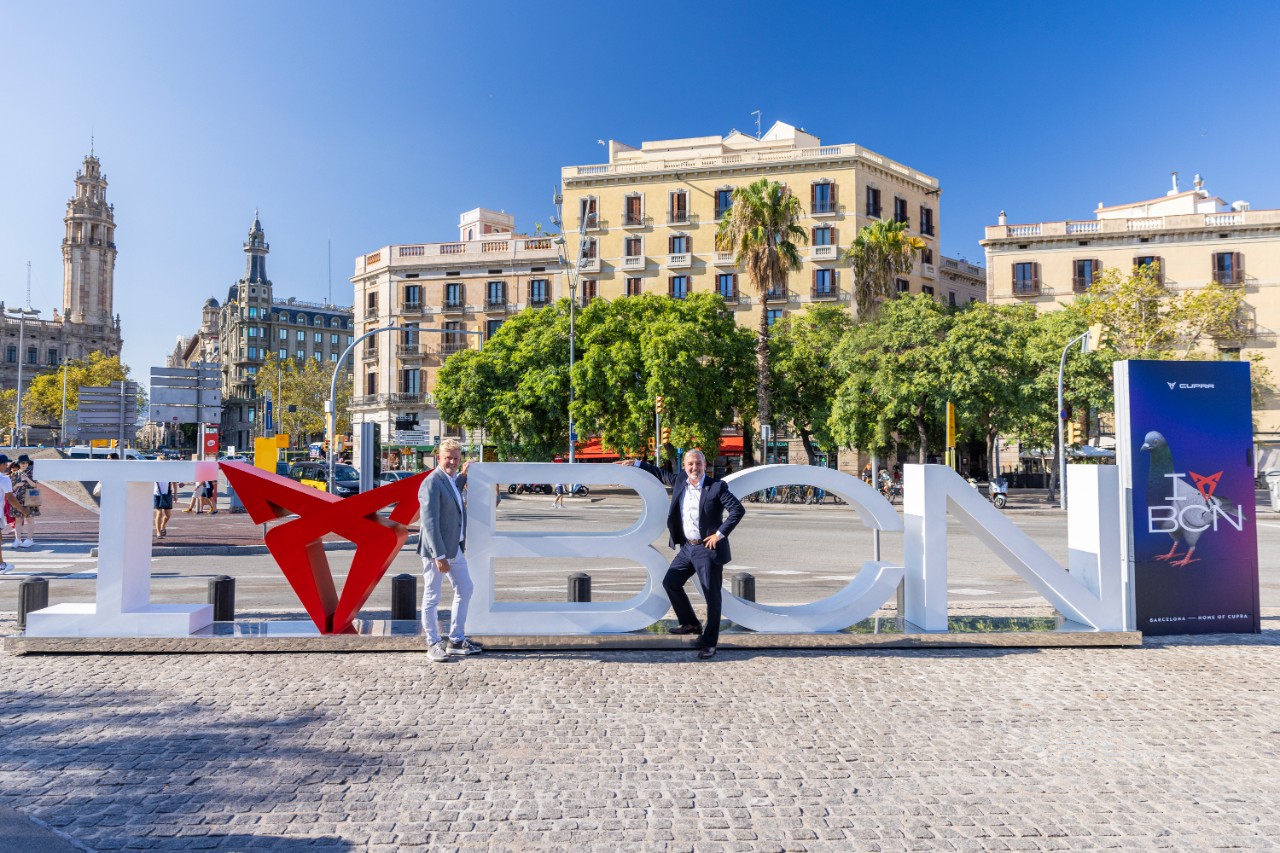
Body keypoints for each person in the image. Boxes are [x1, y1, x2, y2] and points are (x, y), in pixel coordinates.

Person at [618, 448, 746, 660]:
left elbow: (737, 510)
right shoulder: (680, 481)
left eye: (698, 464)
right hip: (688, 547)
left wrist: (719, 535)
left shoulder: (716, 487)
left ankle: (709, 643)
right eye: (690, 464)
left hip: (708, 549)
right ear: (685, 466)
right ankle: (691, 623)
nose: (694, 468)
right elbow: (660, 473)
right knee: (671, 582)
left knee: (712, 597)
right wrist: (637, 464)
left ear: (705, 465)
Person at [418, 438, 481, 662]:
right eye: (448, 458)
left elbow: (455, 488)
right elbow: (430, 522)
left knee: (466, 588)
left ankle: (455, 639)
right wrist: (440, 555)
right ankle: (433, 643)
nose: (452, 462)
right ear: (439, 458)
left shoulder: (451, 479)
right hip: (438, 551)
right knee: (432, 596)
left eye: (456, 458)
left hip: (455, 548)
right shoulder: (432, 482)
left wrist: (464, 473)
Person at [0, 456, 31, 572]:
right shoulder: (4, 479)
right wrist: (24, 511)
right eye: (5, 464)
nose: (7, 466)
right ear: (2, 465)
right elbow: (11, 498)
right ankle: (1, 565)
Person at [11, 455, 40, 548]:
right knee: (18, 520)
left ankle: (29, 539)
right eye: (23, 463)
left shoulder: (32, 473)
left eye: (26, 463)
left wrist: (26, 478)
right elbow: (12, 488)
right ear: (19, 464)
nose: (25, 464)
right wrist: (17, 485)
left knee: (30, 519)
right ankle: (17, 539)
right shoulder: (15, 474)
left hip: (30, 499)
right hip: (18, 500)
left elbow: (35, 485)